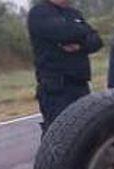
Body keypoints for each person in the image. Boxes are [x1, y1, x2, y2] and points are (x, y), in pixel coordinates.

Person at [27, 0, 103, 131]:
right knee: (59, 133)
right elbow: (63, 32)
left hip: (80, 86)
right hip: (57, 89)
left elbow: (96, 41)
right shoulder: (39, 13)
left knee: (86, 132)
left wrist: (80, 45)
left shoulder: (74, 13)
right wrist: (83, 32)